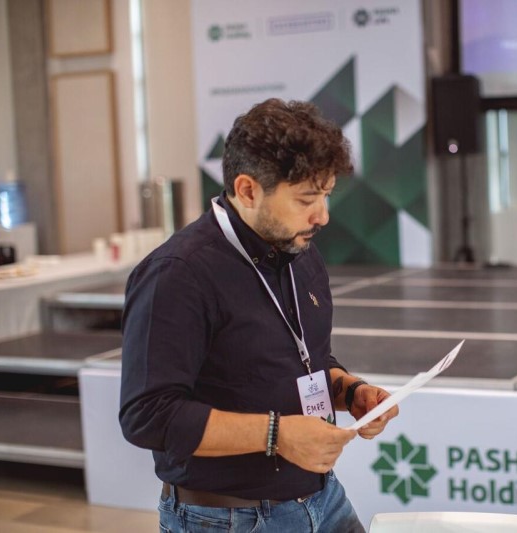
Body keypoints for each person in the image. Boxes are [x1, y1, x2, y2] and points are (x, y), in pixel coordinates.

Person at [119, 98, 399, 532]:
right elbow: (148, 415)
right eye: (306, 199)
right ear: (248, 190)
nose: (323, 216)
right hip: (227, 517)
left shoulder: (299, 250)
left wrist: (351, 391)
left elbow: (304, 360)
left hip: (324, 499)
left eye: (326, 195)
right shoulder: (179, 274)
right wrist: (277, 435)